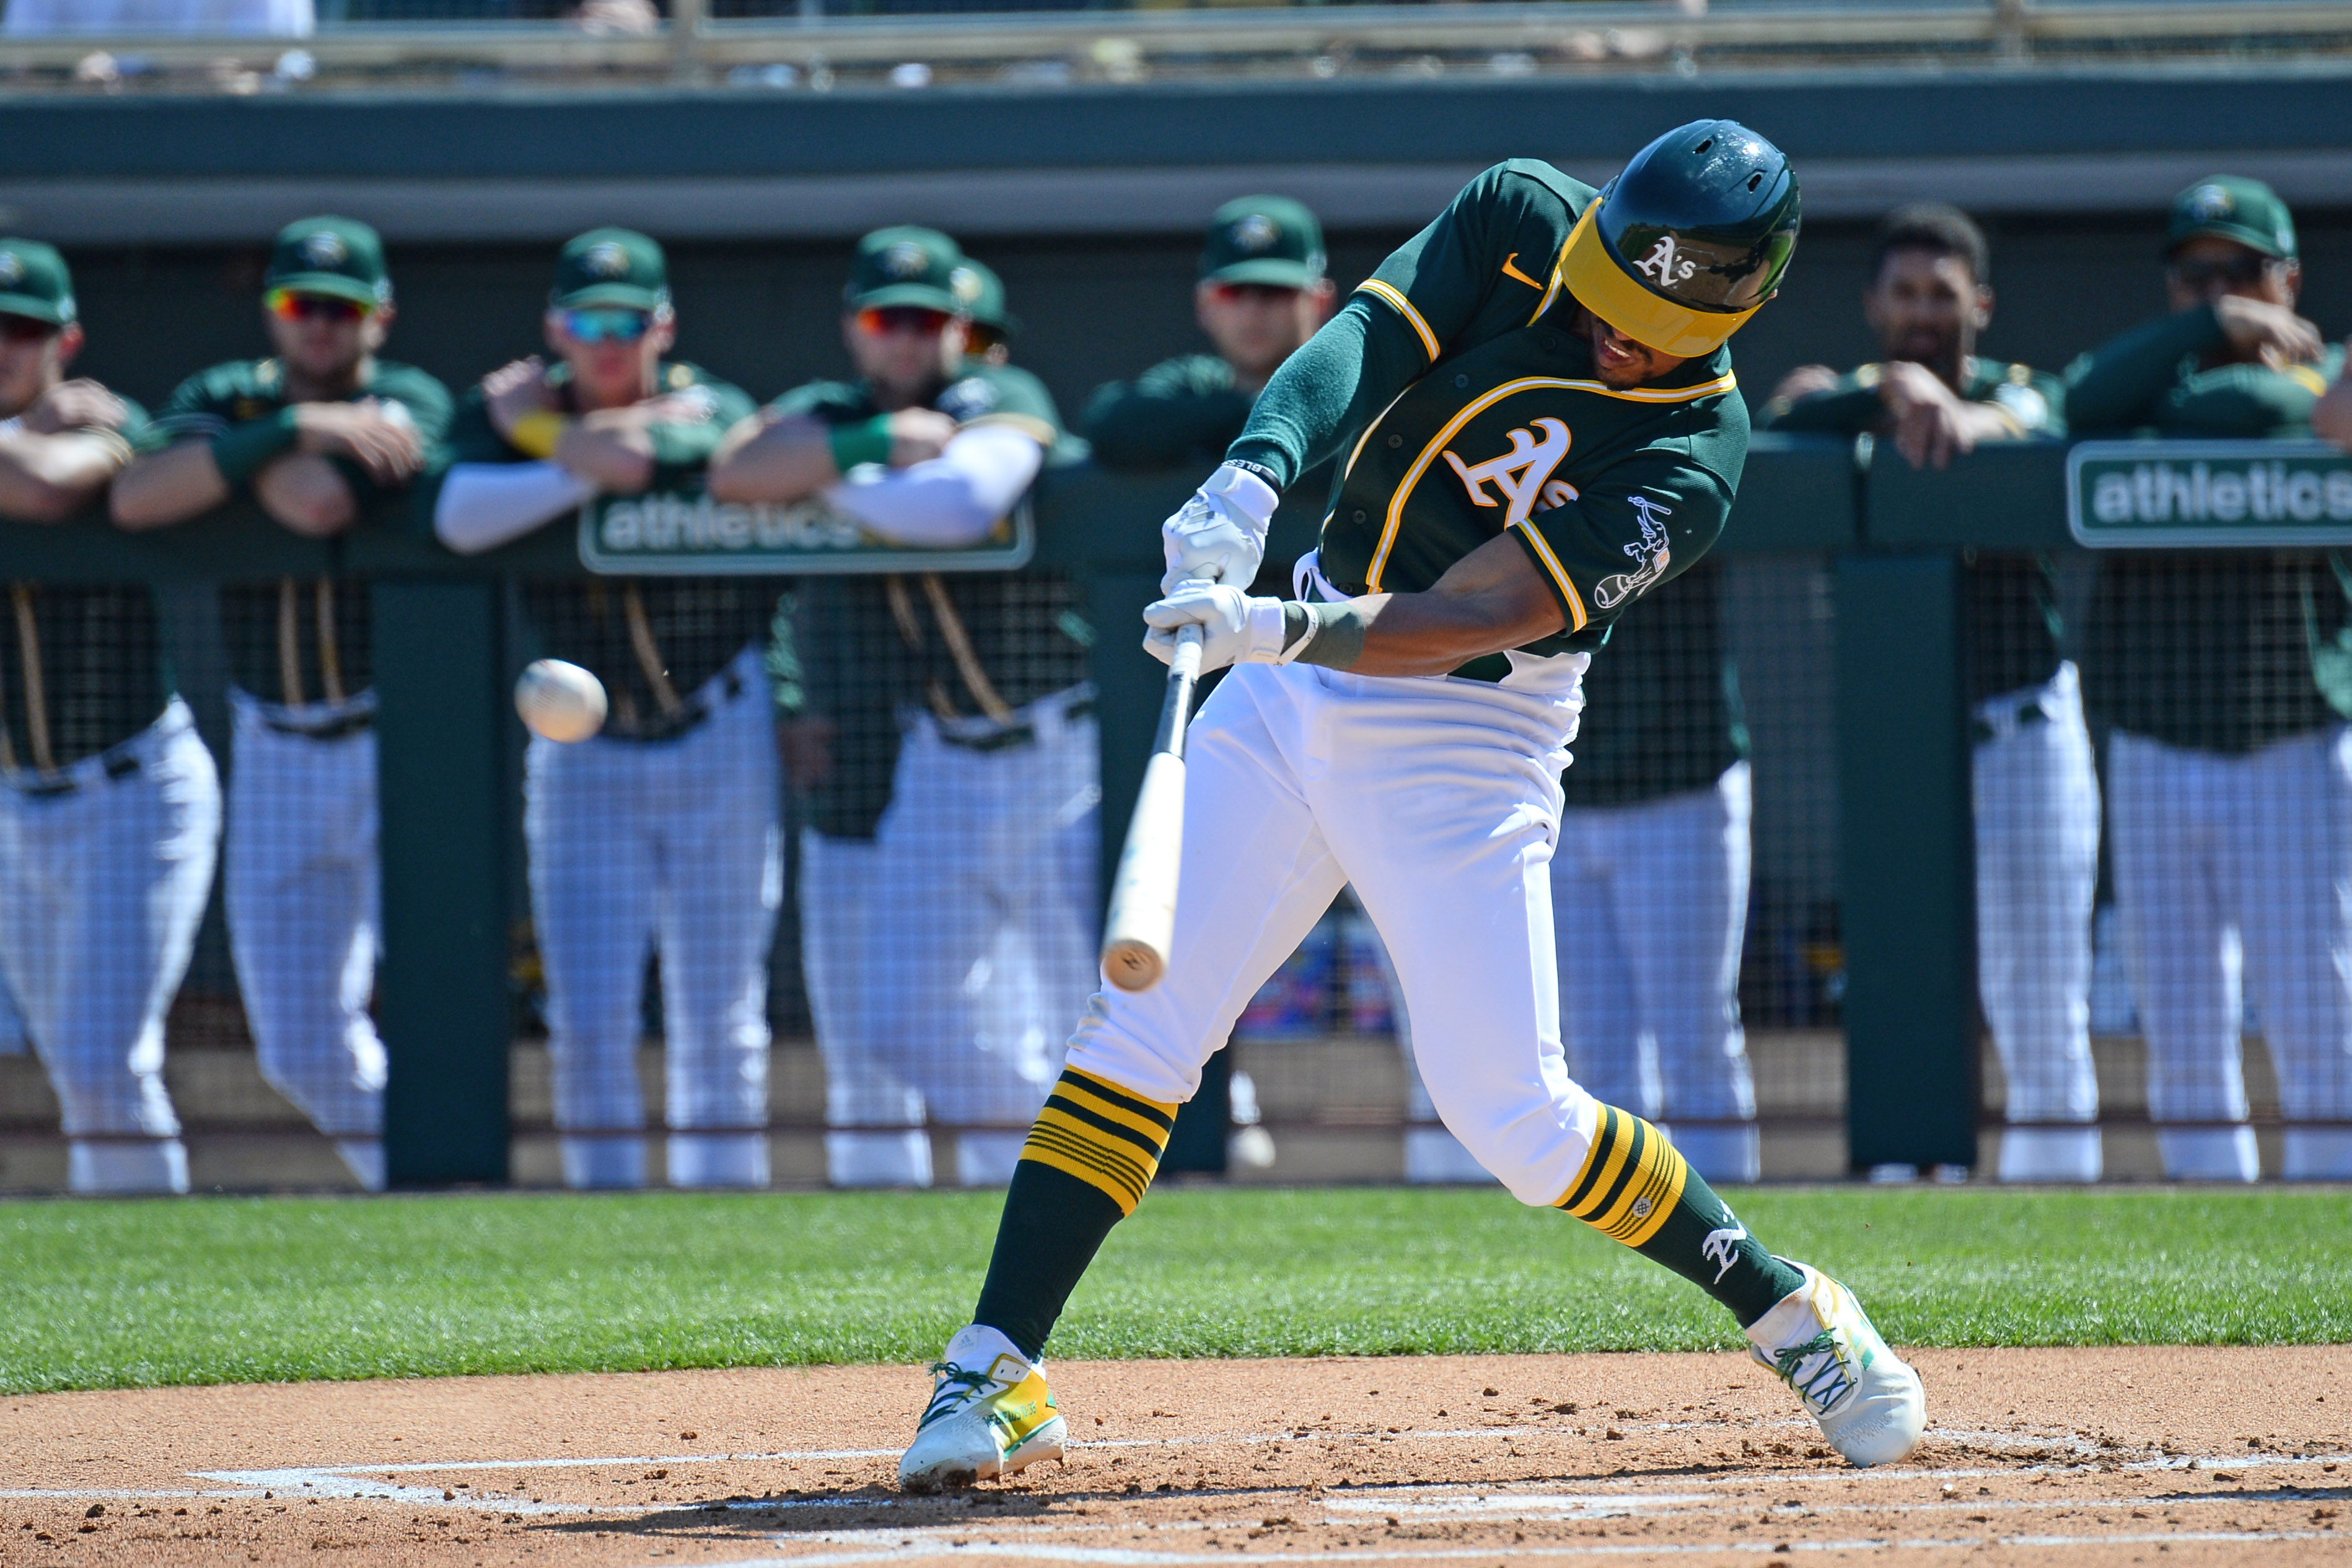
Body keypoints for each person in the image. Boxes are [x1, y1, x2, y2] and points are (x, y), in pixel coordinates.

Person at [895, 123, 1926, 1494]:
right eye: (1615, 301)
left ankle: (1793, 1308)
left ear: (1748, 297)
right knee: (1139, 1021)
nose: (1622, 339)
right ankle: (997, 1360)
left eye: (1659, 324)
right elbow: (1365, 344)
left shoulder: (1693, 454)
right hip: (1299, 648)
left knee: (1515, 1116)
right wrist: (1252, 471)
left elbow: (1475, 613)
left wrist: (1271, 627)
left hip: (1467, 725)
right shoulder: (1519, 213)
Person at [710, 226, 1092, 1191]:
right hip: (942, 760)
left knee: (1097, 1014)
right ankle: (1069, 1176)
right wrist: (871, 446)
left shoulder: (1001, 395)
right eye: (888, 319)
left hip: (1063, 750)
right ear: (854, 326)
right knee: (896, 1020)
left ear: (961, 329)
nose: (906, 340)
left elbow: (963, 502)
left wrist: (827, 478)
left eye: (928, 321)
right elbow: (734, 471)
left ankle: (1104, 1180)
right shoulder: (837, 413)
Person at [429, 227, 770, 1191]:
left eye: (628, 321)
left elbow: (669, 454)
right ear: (555, 328)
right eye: (587, 322)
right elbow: (455, 515)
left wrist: (539, 435)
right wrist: (585, 448)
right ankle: (604, 1231)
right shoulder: (488, 406)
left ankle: (729, 1227)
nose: (609, 342)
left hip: (717, 726)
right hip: (586, 751)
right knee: (587, 1014)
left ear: (662, 325)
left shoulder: (712, 398)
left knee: (719, 1011)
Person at [113, 216, 447, 1194]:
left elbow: (317, 505)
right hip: (274, 740)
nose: (321, 326)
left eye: (342, 309)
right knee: (296, 1042)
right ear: (274, 310)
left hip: (398, 738)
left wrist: (241, 463)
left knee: (433, 1010)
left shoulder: (411, 396)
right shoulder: (222, 394)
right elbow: (138, 498)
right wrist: (296, 426)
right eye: (302, 305)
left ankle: (438, 1192)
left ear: (378, 316)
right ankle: (419, 1190)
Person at [1763, 204, 2096, 1183]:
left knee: (2040, 995)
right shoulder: (1859, 401)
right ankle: (1916, 1193)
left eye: (1942, 295)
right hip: (1904, 743)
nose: (1922, 311)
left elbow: (2030, 420)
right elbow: (1780, 422)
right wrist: (1874, 391)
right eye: (1904, 293)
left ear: (1980, 305)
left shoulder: (2017, 389)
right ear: (1873, 303)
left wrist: (1929, 402)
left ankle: (2062, 1214)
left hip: (2023, 729)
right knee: (1904, 979)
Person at [2069, 177, 2352, 1182]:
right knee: (2180, 1017)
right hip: (2157, 735)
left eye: (2240, 273)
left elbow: (2317, 415)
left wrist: (2239, 364)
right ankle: (2210, 1218)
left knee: (2314, 1004)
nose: (2218, 292)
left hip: (2293, 739)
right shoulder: (2144, 382)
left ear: (2290, 279)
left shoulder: (2322, 383)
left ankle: (2332, 1221)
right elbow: (2078, 401)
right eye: (2197, 277)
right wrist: (2219, 328)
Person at [0, 237, 215, 1196]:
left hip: (132, 787)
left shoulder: (116, 420)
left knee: (102, 1058)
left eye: (23, 329)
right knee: (73, 1068)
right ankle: (142, 1278)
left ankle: (166, 1288)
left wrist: (61, 435)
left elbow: (49, 484)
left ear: (66, 340)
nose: (4, 345)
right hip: (15, 803)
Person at [1082, 196, 1336, 472]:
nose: (1252, 312)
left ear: (1320, 303)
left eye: (1275, 291)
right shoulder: (1200, 382)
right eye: (1232, 292)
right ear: (1204, 305)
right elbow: (1113, 423)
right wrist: (1244, 414)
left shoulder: (1351, 389)